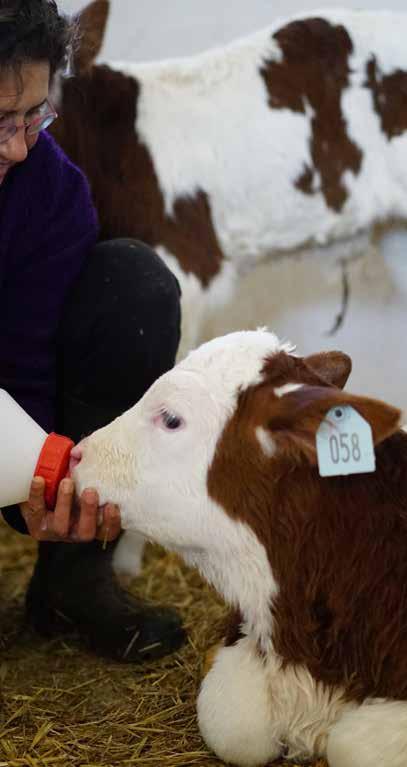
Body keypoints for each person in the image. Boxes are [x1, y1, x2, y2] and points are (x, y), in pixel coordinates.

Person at [0, 0, 185, 661]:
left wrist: (36, 488)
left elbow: (23, 362)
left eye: (34, 116)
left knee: (135, 289)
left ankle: (71, 581)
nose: (19, 146)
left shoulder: (49, 191)